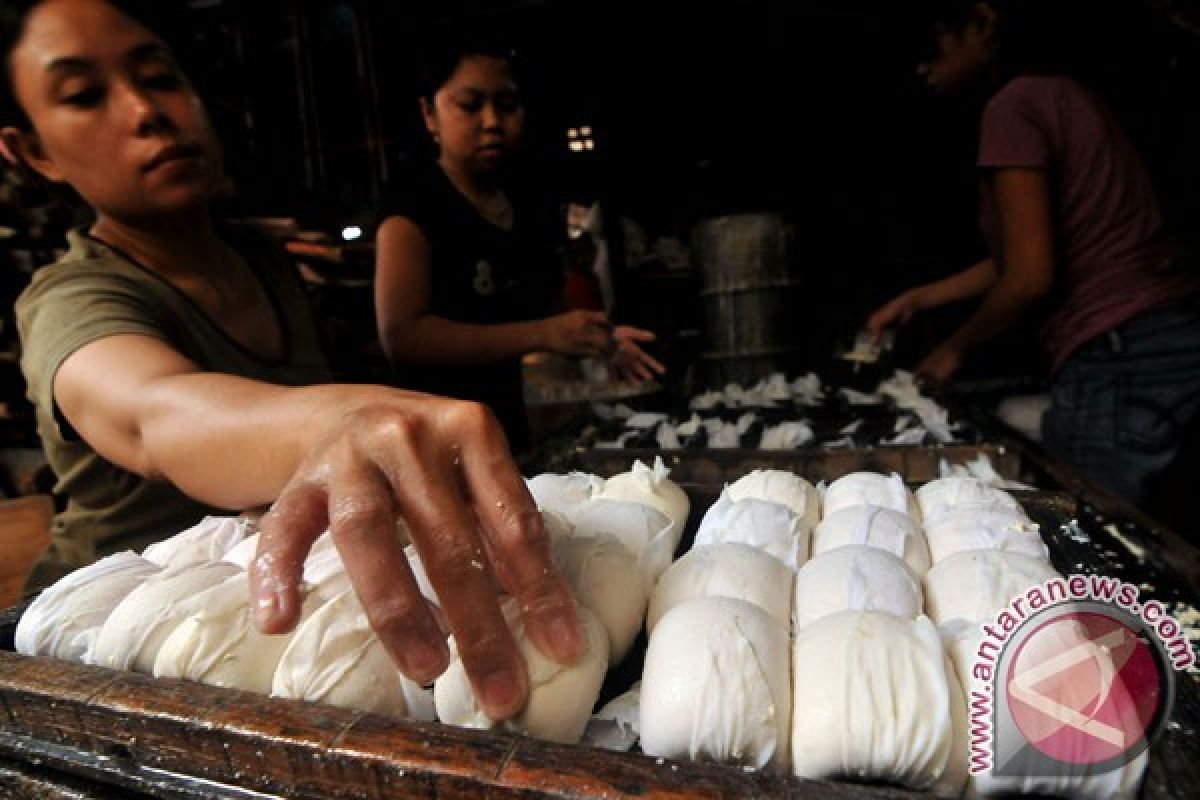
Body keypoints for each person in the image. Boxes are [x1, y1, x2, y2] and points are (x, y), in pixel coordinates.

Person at [1, 0, 584, 721]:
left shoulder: (263, 260)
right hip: (118, 650)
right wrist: (352, 421)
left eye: (159, 78)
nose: (145, 111)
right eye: (85, 95)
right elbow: (154, 413)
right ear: (35, 153)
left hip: (284, 612)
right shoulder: (71, 298)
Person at [867, 0, 1200, 505]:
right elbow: (1024, 253)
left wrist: (952, 349)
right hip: (1158, 334)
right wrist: (923, 297)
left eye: (930, 47)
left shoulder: (1013, 107)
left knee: (1092, 543)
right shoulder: (1063, 94)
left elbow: (1030, 276)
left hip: (1117, 350)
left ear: (982, 21)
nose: (921, 67)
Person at [373, 38, 663, 452]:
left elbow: (545, 306)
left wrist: (595, 337)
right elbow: (403, 336)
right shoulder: (413, 208)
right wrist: (544, 333)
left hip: (512, 428)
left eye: (507, 104)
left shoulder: (526, 204)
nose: (492, 121)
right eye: (470, 106)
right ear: (429, 115)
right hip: (438, 436)